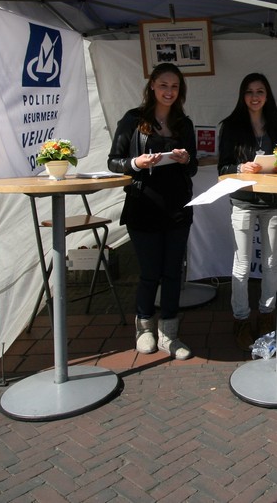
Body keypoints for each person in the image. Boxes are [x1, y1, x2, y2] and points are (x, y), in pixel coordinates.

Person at [107, 63, 198, 360]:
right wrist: (137, 163)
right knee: (149, 273)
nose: (169, 92)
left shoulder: (184, 124)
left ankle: (169, 333)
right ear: (152, 87)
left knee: (173, 273)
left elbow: (193, 167)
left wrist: (185, 159)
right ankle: (144, 328)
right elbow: (114, 161)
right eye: (163, 85)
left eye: (174, 86)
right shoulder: (133, 120)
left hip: (178, 208)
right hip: (143, 206)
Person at [217, 73, 277, 350]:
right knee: (242, 264)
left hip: (273, 201)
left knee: (271, 263)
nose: (255, 96)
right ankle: (241, 319)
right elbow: (223, 167)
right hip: (243, 201)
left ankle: (267, 315)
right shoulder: (231, 125)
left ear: (267, 95)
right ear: (242, 95)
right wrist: (240, 167)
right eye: (249, 91)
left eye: (260, 91)